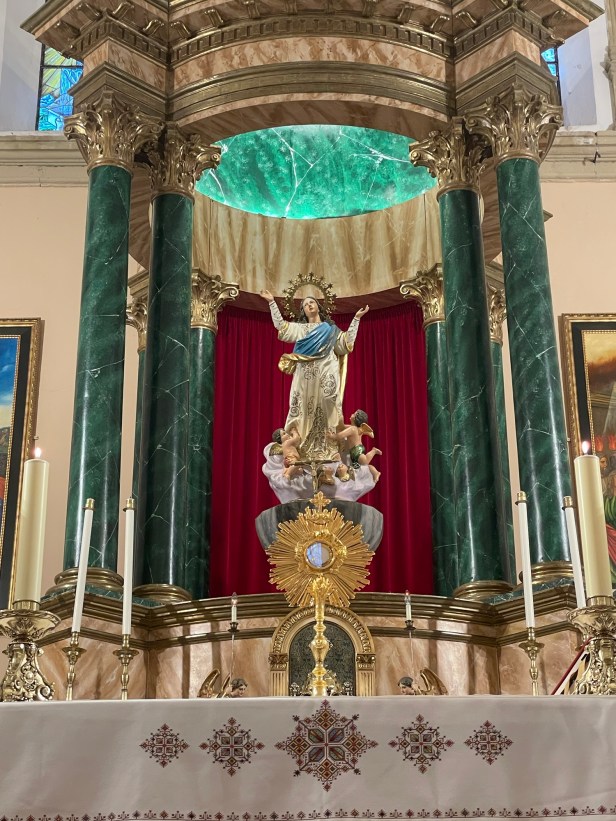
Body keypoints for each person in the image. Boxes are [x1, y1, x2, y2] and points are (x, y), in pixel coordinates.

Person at [260, 290, 368, 460]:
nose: (309, 305)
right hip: (305, 374)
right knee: (303, 406)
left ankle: (330, 445)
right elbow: (281, 326)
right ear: (303, 311)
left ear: (318, 306)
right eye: (305, 304)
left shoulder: (330, 330)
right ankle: (301, 448)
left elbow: (345, 343)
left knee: (328, 399)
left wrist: (356, 319)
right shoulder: (300, 329)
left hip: (327, 370)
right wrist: (272, 302)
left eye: (312, 302)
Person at [330, 410, 382, 482]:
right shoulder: (356, 428)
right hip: (356, 450)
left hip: (356, 450)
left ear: (356, 418)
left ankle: (374, 451)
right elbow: (343, 427)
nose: (352, 414)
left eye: (354, 414)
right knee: (363, 467)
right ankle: (375, 472)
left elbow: (340, 435)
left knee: (365, 462)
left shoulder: (352, 429)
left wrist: (332, 436)